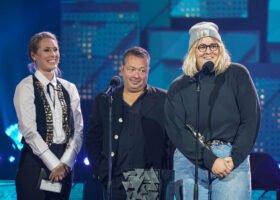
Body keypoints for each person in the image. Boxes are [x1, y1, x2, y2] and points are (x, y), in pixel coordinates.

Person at [164, 22, 261, 200]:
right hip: (189, 161)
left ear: (220, 48)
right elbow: (177, 130)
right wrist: (210, 160)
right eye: (202, 46)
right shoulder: (178, 87)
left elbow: (250, 120)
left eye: (213, 45)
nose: (208, 51)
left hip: (230, 160)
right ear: (193, 51)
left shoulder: (237, 74)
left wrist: (235, 157)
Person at [86, 46, 173, 199]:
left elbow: (171, 142)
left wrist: (163, 173)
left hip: (146, 179)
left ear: (148, 71)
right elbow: (93, 139)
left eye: (142, 70)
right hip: (113, 177)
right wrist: (99, 170)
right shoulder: (106, 100)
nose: (136, 75)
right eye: (132, 69)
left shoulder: (163, 100)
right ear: (122, 69)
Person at [14, 31, 83, 200]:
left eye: (55, 49)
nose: (53, 54)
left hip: (64, 165)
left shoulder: (70, 88)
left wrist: (65, 163)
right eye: (47, 50)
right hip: (35, 163)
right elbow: (29, 131)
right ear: (34, 55)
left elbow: (78, 130)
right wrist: (54, 165)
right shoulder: (26, 87)